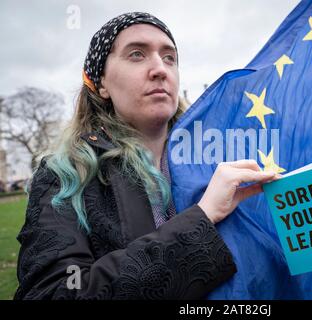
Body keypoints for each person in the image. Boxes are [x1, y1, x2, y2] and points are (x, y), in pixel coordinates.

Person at [14, 12, 280, 300]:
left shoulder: (226, 157)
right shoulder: (65, 174)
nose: (159, 69)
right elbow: (53, 293)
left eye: (169, 58)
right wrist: (202, 217)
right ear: (101, 82)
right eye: (137, 54)